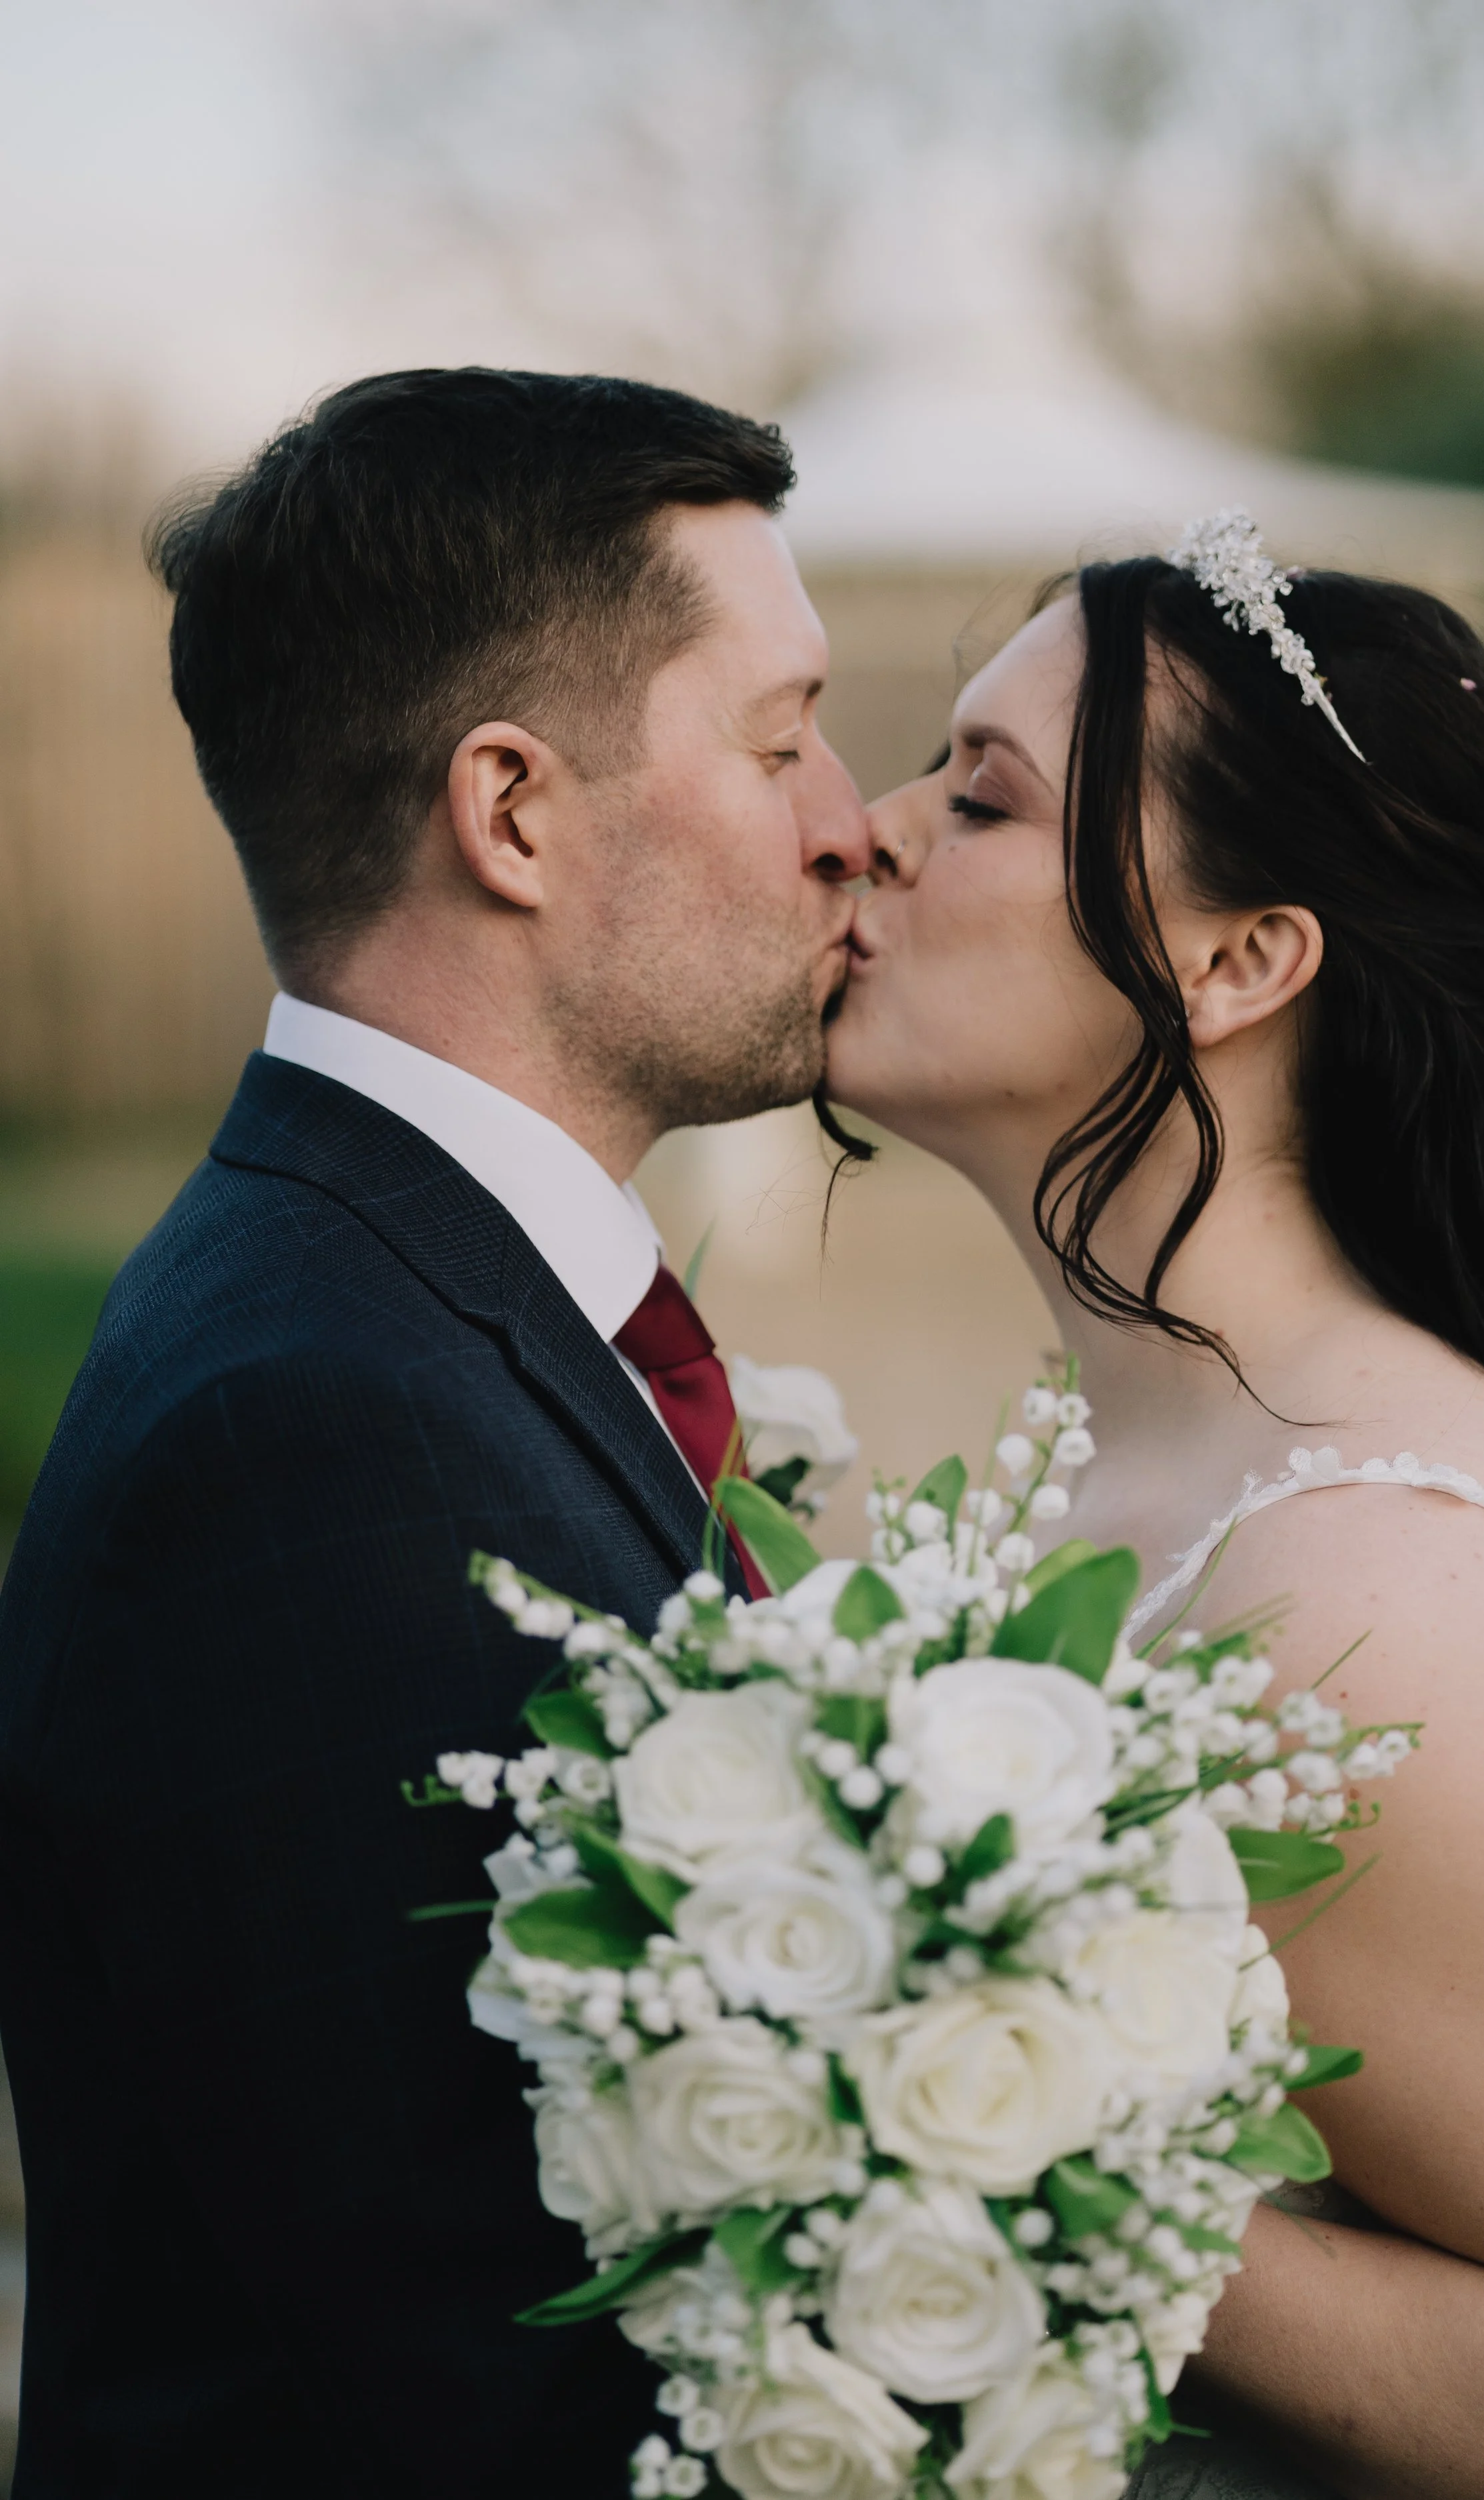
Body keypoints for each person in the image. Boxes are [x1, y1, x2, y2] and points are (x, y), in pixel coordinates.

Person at [0, 368, 868, 2498]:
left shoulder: (375, 1302)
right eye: (776, 740)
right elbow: (496, 2383)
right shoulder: (309, 1432)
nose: (852, 814)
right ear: (512, 813)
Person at [825, 531, 1484, 2497]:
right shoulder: (1163, 1460)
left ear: (1236, 959)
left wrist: (973, 2144)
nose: (860, 831)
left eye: (979, 795)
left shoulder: (1366, 1607)